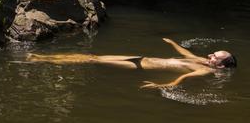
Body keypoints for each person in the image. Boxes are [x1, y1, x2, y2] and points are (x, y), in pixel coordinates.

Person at [27, 38, 237, 88]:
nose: (210, 55)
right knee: (93, 56)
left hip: (139, 65)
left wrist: (161, 86)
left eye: (214, 57)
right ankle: (44, 58)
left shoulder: (205, 71)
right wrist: (173, 43)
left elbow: (180, 80)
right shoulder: (201, 61)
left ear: (221, 66)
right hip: (141, 57)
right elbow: (186, 53)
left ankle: (42, 59)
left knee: (92, 59)